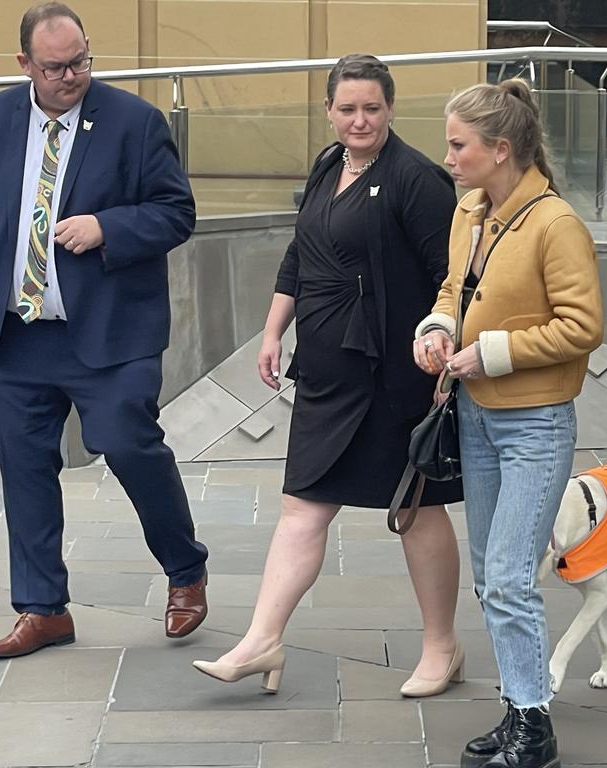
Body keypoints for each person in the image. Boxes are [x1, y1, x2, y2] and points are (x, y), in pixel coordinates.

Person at [193, 54, 464, 697]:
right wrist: (271, 330)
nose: (360, 119)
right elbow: (301, 253)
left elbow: (450, 281)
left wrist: (442, 358)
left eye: (372, 107)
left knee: (414, 510)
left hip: (395, 376)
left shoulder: (417, 179)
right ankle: (262, 642)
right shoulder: (327, 165)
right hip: (326, 373)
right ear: (328, 111)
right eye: (348, 109)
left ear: (391, 109)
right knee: (302, 505)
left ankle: (442, 648)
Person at [0, 1, 209, 658]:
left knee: (127, 443)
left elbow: (177, 213)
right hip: (16, 338)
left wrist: (109, 228)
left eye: (81, 62)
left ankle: (185, 569)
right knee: (25, 469)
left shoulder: (135, 122)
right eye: (56, 67)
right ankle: (43, 609)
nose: (71, 77)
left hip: (109, 335)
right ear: (25, 65)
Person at [414, 79, 603, 768]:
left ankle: (533, 724)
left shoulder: (556, 225)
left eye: (459, 144)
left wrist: (489, 352)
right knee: (495, 575)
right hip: (477, 416)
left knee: (509, 576)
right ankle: (520, 706)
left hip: (534, 424)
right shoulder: (470, 210)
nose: (450, 154)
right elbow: (453, 291)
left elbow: (583, 326)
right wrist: (435, 331)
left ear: (500, 149)